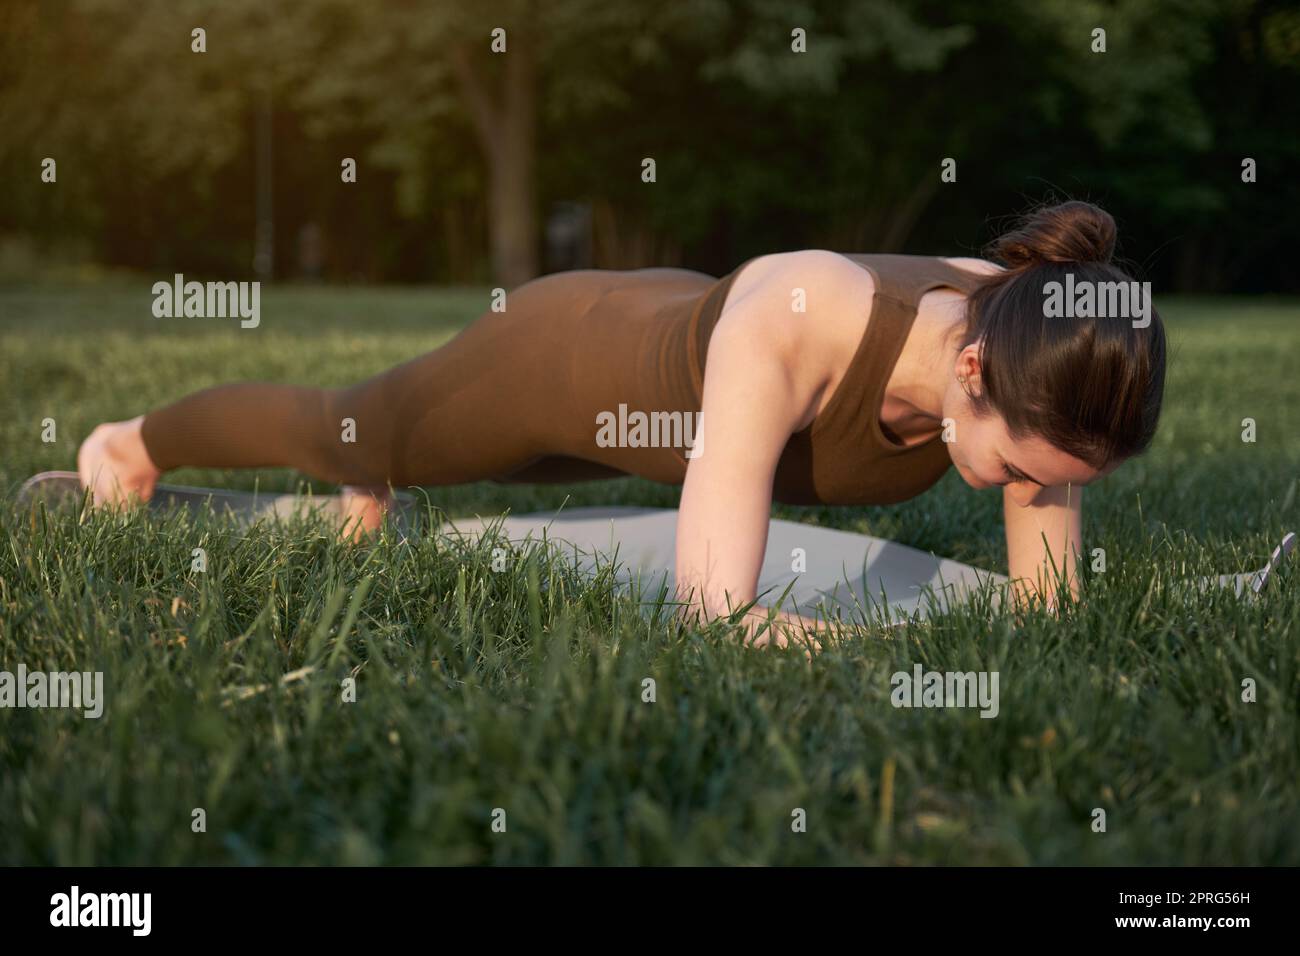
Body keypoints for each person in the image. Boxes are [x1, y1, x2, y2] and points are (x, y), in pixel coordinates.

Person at [77, 200, 1166, 648]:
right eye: (1023, 468)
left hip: (675, 354)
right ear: (969, 370)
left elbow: (1046, 610)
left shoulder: (1038, 336)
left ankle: (374, 502)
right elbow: (714, 614)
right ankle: (129, 444)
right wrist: (854, 647)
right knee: (352, 431)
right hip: (562, 357)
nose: (1025, 491)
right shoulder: (807, 320)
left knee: (448, 480)